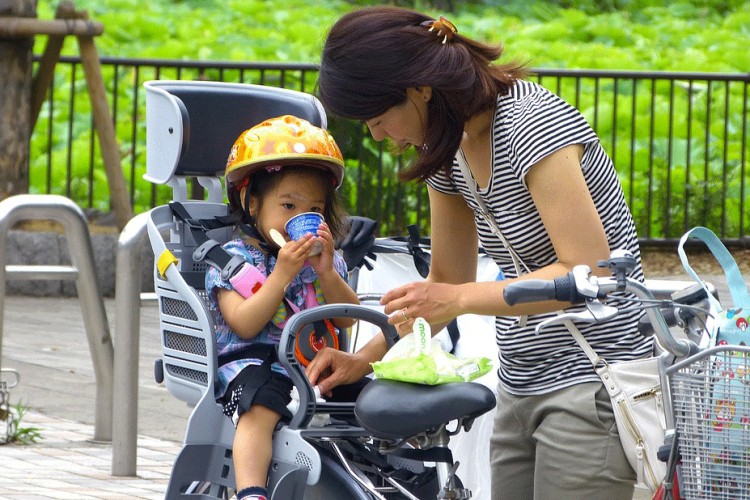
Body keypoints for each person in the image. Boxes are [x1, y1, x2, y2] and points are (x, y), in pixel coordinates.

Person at [306, 6, 651, 499]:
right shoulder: (446, 148)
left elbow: (588, 274)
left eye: (378, 119)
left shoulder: (532, 124)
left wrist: (458, 299)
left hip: (595, 378)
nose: (377, 135)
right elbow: (445, 282)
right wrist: (364, 359)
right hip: (520, 380)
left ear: (420, 88)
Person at [205, 115, 359, 500]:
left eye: (314, 209)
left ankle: (374, 476)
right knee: (261, 407)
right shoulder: (233, 262)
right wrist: (280, 276)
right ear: (252, 203)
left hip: (313, 363)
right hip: (253, 362)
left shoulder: (325, 262)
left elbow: (347, 320)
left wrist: (327, 274)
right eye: (288, 205)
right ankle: (251, 491)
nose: (300, 219)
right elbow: (243, 323)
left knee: (363, 394)